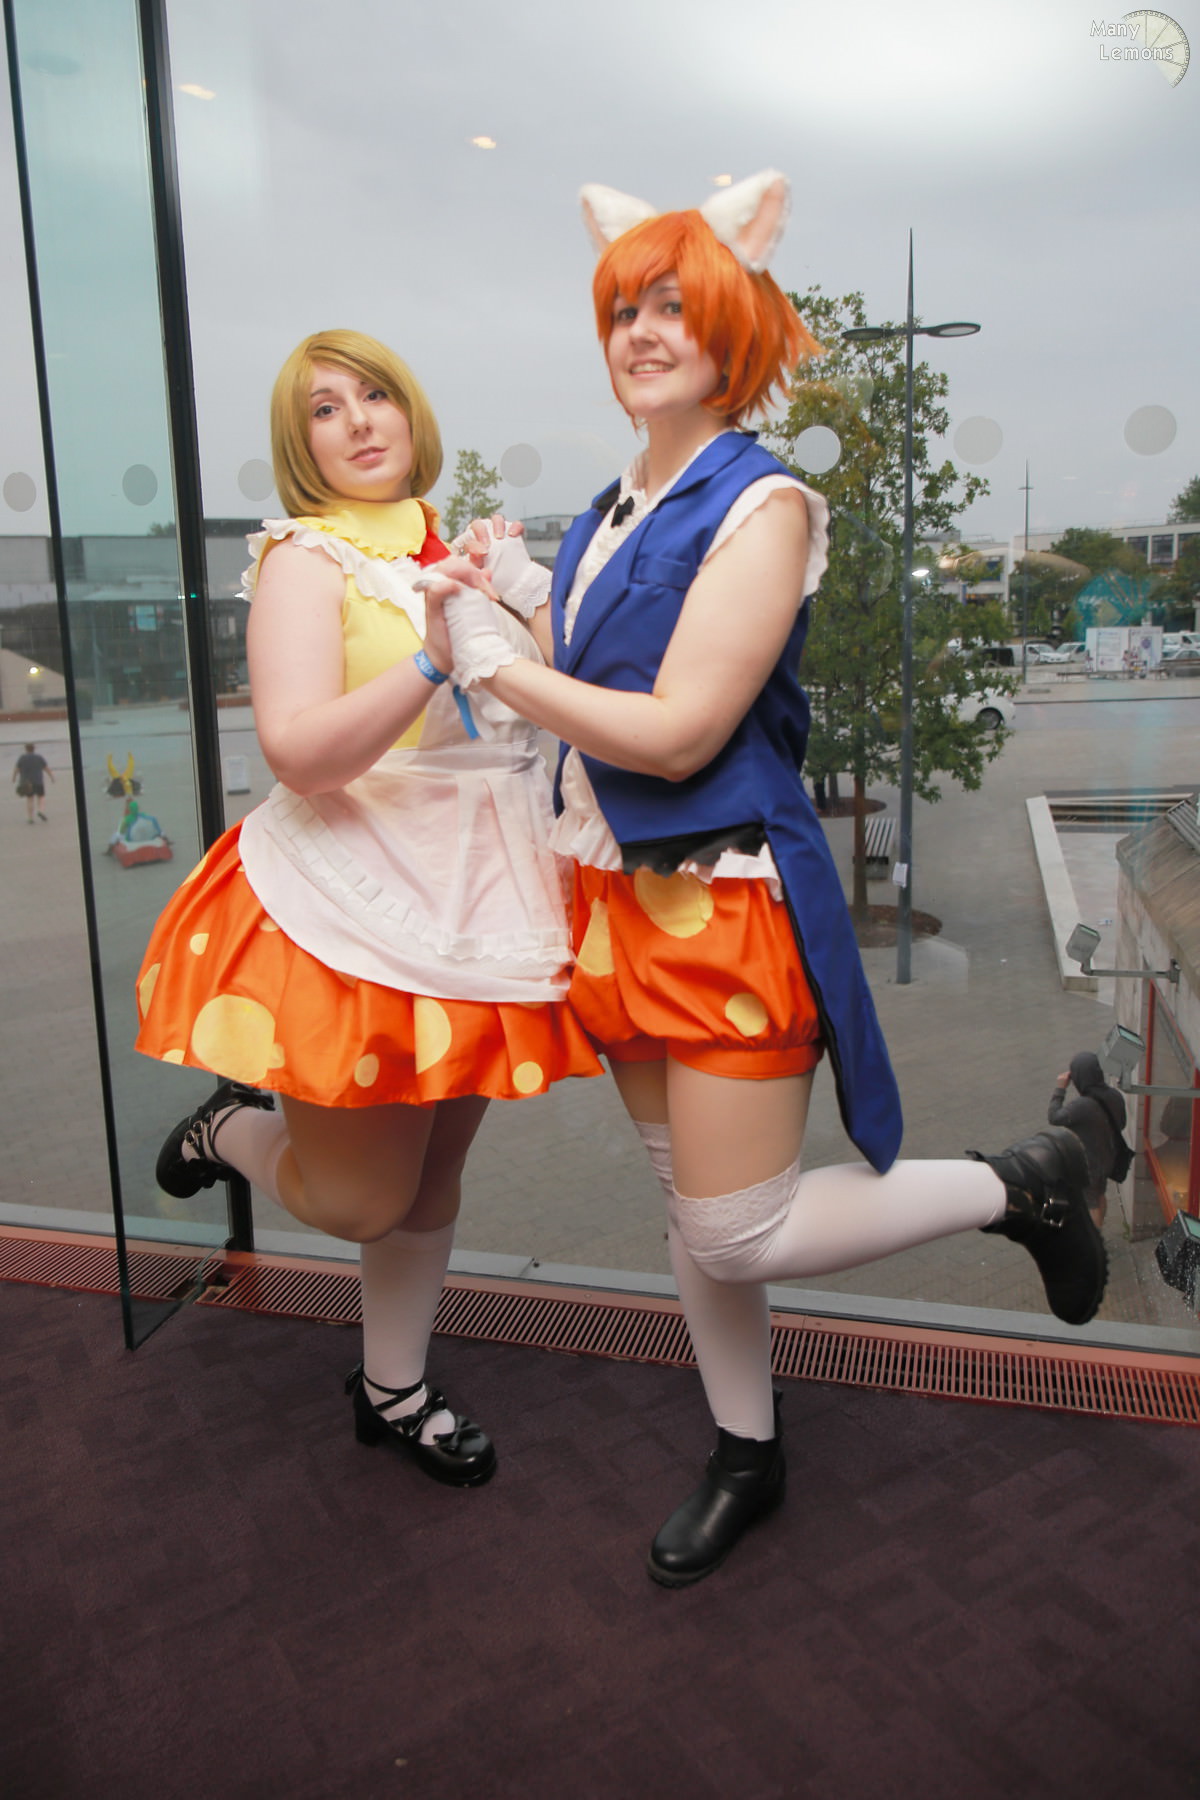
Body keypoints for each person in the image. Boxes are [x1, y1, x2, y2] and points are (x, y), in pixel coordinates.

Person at [424, 172, 1109, 1584]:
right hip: (611, 895)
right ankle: (748, 1448)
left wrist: (501, 666)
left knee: (739, 1230)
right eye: (623, 309)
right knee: (697, 1208)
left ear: (734, 326)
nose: (641, 331)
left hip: (725, 897)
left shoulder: (768, 502)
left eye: (673, 306)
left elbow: (679, 731)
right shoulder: (613, 508)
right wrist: (515, 598)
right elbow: (605, 664)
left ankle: (1027, 1181)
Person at [135, 330, 600, 1488]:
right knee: (358, 1198)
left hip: (484, 892)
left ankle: (393, 1388)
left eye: (375, 394)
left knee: (431, 1177)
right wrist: (431, 660)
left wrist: (527, 593)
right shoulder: (304, 559)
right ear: (302, 445)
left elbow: (566, 700)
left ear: (411, 410)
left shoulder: (456, 545)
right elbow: (298, 755)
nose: (358, 421)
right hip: (351, 895)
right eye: (325, 409)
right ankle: (228, 1132)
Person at [1049, 1051, 1129, 1227]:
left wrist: (1060, 1089)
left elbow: (1054, 1117)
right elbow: (1122, 1123)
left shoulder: (1081, 1106)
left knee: (1091, 1205)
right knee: (1099, 1195)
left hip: (1089, 1164)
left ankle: (1094, 1239)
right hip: (1108, 1158)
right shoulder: (1114, 1095)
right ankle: (1098, 1233)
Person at [14, 743, 53, 822]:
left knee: (30, 799)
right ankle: (40, 811)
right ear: (34, 749)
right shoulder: (39, 757)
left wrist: (14, 777)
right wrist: (52, 777)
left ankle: (30, 818)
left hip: (26, 782)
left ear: (26, 749)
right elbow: (46, 768)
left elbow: (17, 769)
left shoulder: (22, 758)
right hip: (38, 781)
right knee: (41, 797)